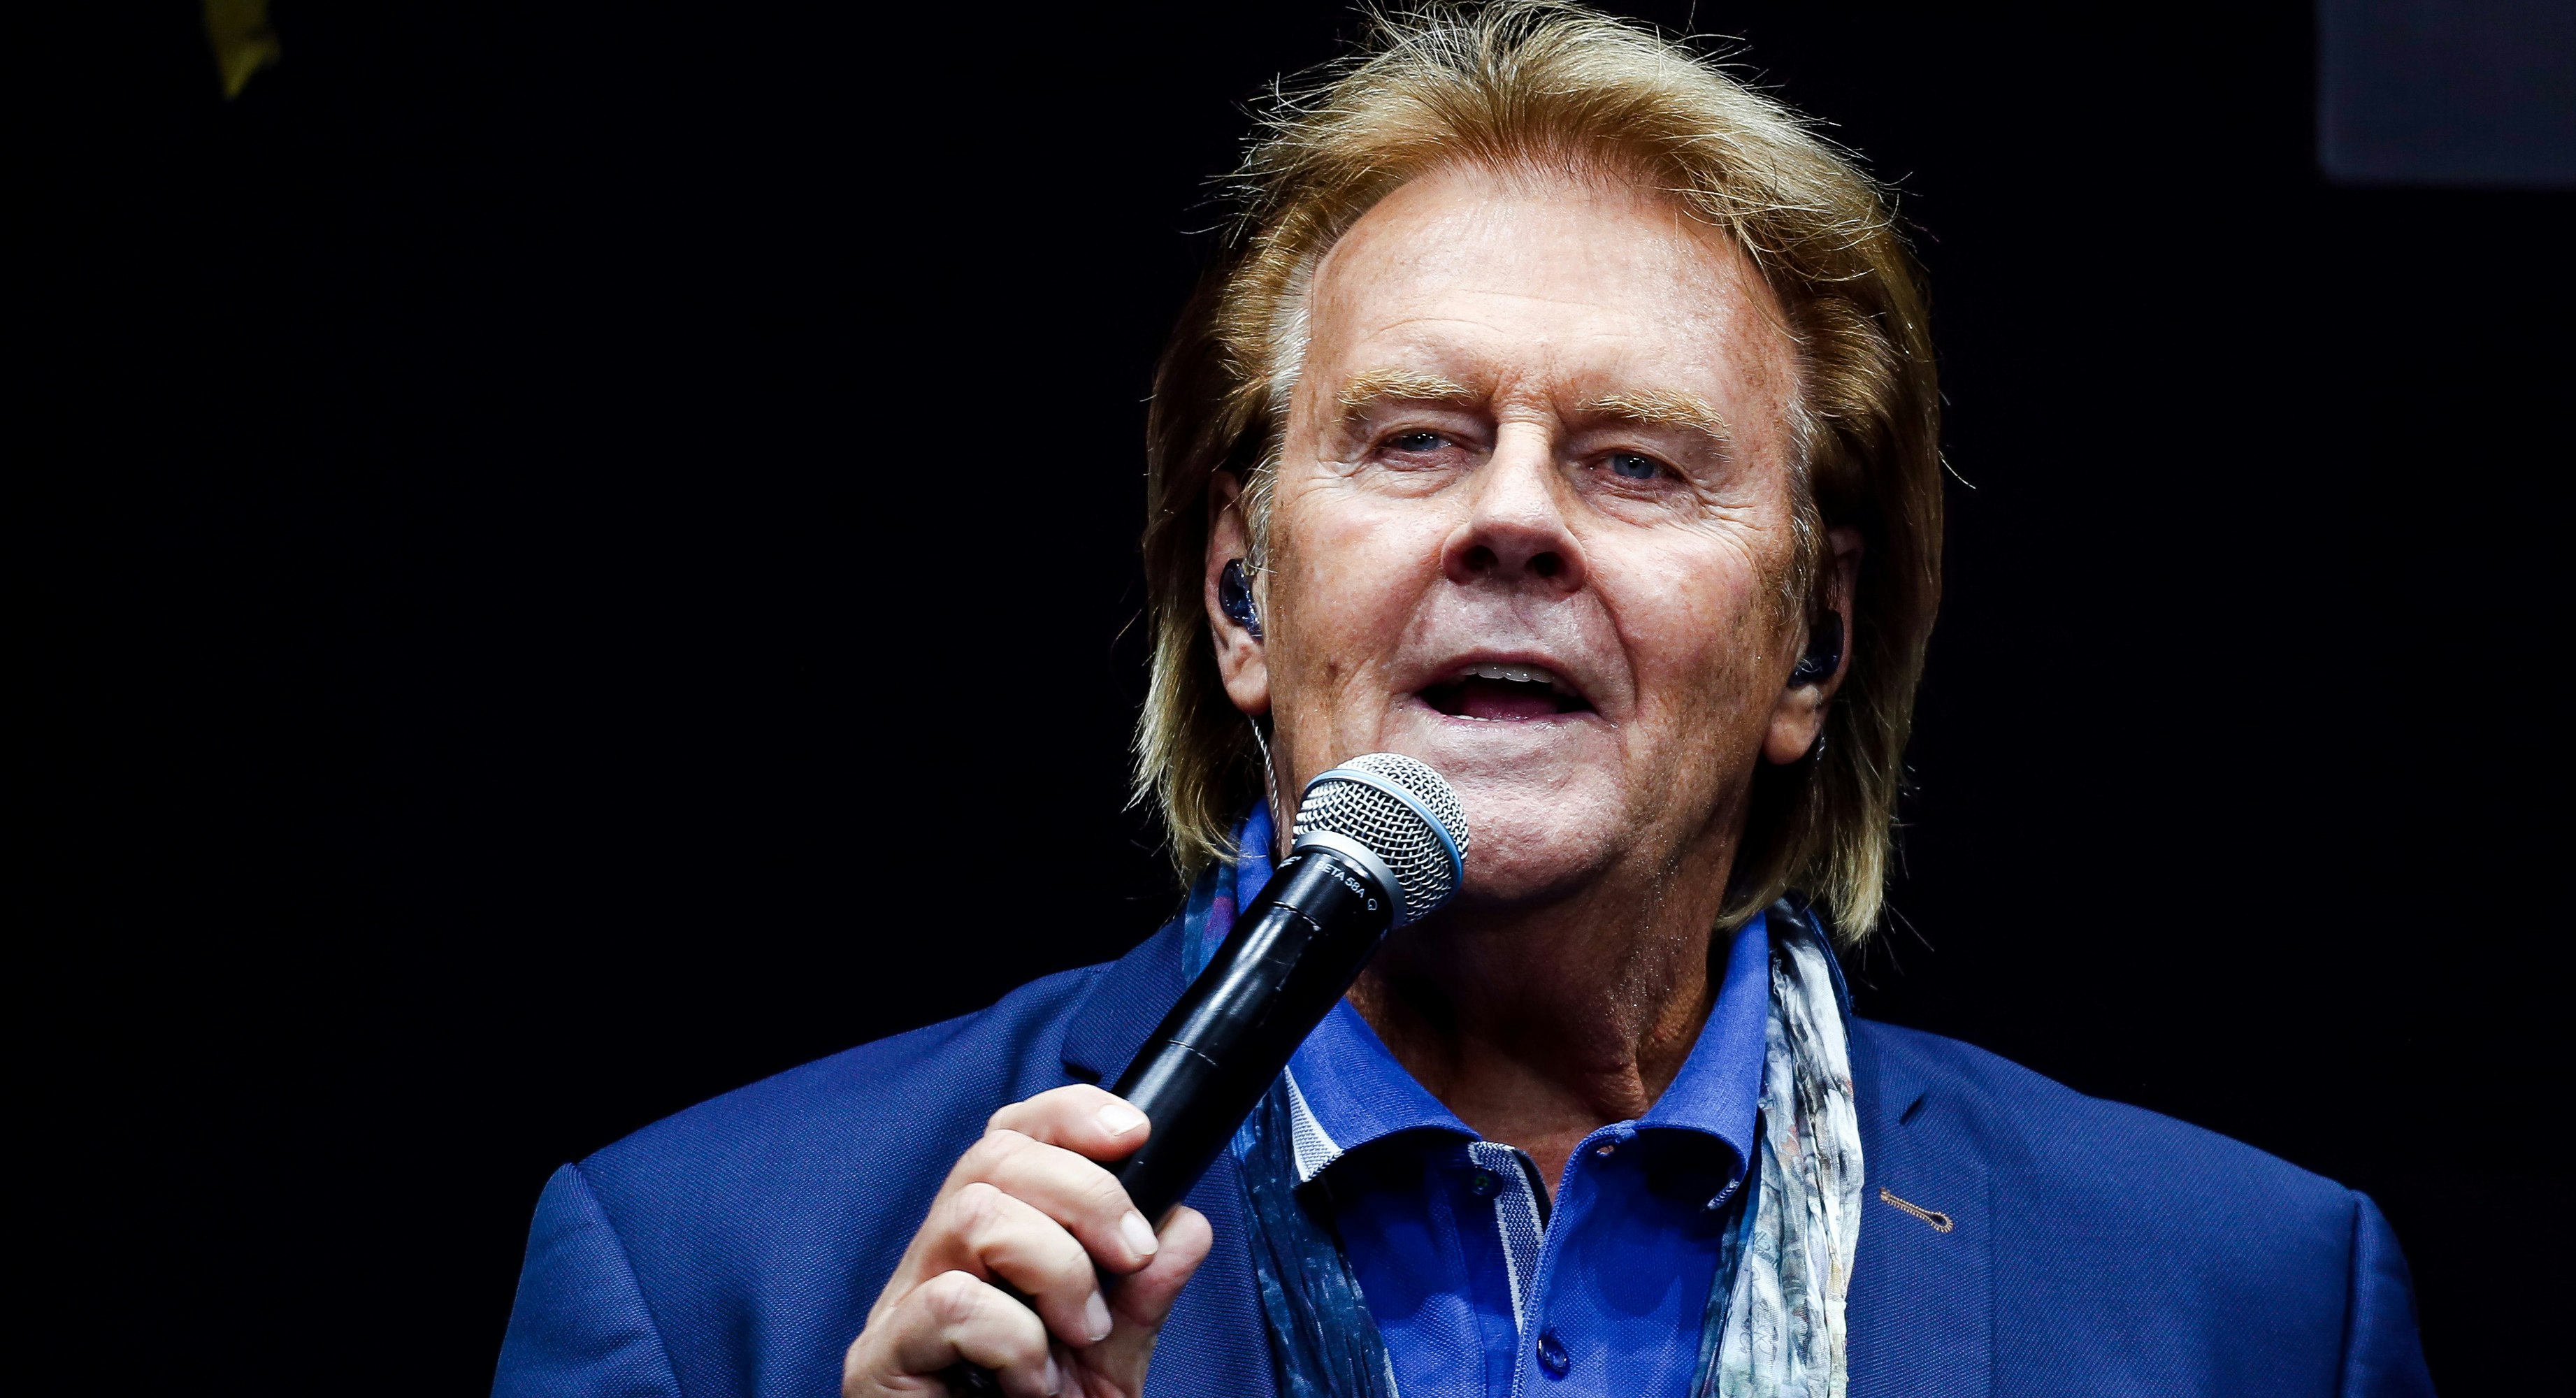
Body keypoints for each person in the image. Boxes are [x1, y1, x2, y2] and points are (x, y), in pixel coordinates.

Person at [491, 5, 2435, 1396]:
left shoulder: (2243, 1309)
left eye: (1636, 462)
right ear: (1241, 598)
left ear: (1813, 644)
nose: (1513, 520)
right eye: (1413, 440)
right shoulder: (709, 1276)